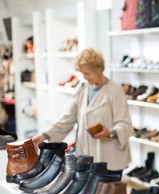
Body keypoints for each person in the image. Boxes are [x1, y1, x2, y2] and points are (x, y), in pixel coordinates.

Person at [33, 48, 133, 177]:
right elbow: (67, 118)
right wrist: (44, 135)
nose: (85, 77)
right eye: (83, 74)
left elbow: (124, 124)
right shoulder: (82, 89)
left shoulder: (114, 90)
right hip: (86, 158)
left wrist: (110, 132)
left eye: (87, 73)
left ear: (98, 70)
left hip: (109, 158)